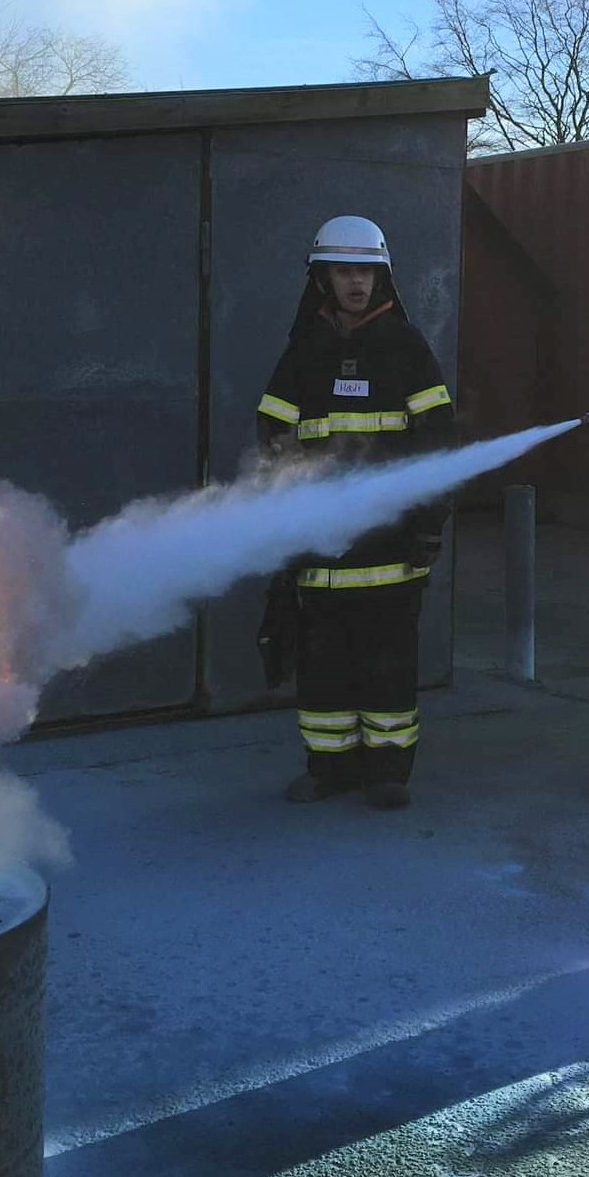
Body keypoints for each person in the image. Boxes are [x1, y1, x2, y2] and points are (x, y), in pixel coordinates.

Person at [255, 216, 455, 810]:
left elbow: (438, 444)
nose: (357, 283)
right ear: (322, 279)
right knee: (323, 667)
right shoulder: (304, 353)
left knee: (388, 664)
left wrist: (427, 527)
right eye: (344, 271)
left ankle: (389, 772)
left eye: (366, 271)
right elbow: (271, 438)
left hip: (393, 549)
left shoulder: (405, 348)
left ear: (382, 277)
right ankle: (330, 770)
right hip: (320, 549)